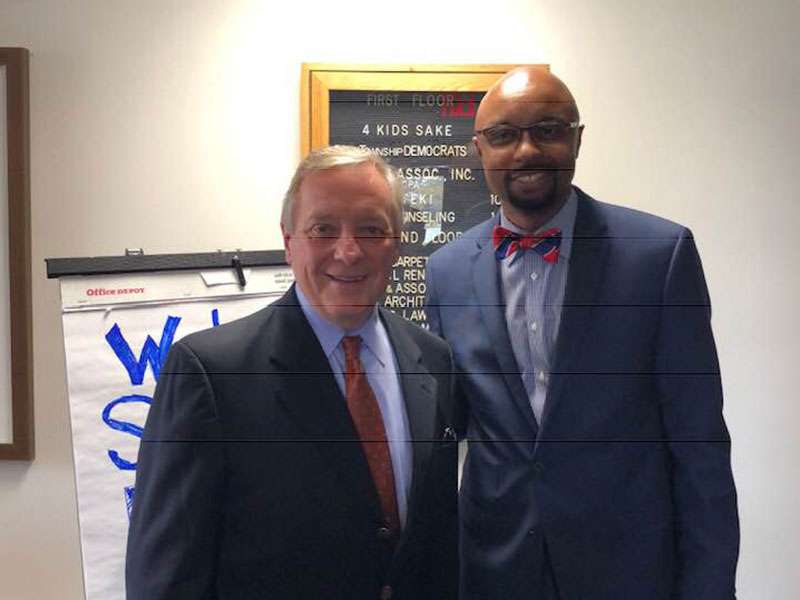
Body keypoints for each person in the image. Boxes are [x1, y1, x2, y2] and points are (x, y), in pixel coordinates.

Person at [425, 66, 739, 599]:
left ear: (577, 139)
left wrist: (709, 588)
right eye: (504, 135)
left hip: (629, 570)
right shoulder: (446, 271)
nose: (527, 150)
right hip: (495, 571)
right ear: (479, 149)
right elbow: (444, 430)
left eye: (547, 130)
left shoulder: (658, 257)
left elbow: (699, 444)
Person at [127, 145, 458, 600]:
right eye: (323, 229)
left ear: (396, 244)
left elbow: (436, 544)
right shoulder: (211, 375)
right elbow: (165, 577)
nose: (348, 251)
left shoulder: (433, 361)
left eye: (371, 229)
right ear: (288, 242)